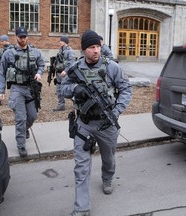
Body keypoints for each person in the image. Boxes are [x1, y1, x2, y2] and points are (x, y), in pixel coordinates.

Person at [61, 30, 132, 216]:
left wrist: (116, 112)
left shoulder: (111, 67)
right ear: (84, 49)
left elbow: (126, 89)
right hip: (84, 124)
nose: (96, 51)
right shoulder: (75, 68)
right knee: (81, 167)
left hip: (106, 124)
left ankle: (107, 178)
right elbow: (63, 88)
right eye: (91, 47)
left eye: (98, 47)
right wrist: (76, 88)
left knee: (108, 158)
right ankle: (81, 208)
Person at [0, 26, 45, 157]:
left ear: (27, 37)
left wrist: (39, 73)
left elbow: (42, 64)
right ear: (16, 37)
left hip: (30, 88)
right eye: (20, 37)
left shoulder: (35, 52)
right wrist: (0, 91)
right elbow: (2, 73)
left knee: (33, 116)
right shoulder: (9, 54)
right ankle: (21, 145)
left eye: (24, 37)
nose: (22, 39)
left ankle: (24, 129)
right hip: (17, 89)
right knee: (20, 118)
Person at [53, 36, 76, 111]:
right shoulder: (60, 50)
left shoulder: (70, 51)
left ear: (65, 42)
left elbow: (72, 63)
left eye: (61, 41)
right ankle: (61, 105)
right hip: (59, 73)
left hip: (65, 73)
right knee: (58, 90)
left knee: (67, 90)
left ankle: (76, 102)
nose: (60, 42)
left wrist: (66, 71)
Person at [0, 35, 14, 106]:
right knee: (0, 83)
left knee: (13, 85)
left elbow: (12, 61)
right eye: (1, 41)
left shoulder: (12, 49)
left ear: (6, 40)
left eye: (2, 41)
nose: (1, 43)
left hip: (10, 70)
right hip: (3, 69)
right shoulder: (3, 49)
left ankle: (14, 99)